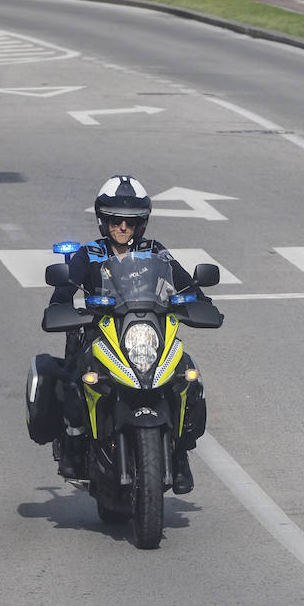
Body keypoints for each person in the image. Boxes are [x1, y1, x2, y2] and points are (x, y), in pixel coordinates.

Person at [48, 176, 209, 493]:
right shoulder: (89, 253)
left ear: (142, 223)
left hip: (148, 333)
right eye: (115, 220)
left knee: (188, 377)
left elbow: (186, 282)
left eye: (131, 222)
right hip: (101, 334)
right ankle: (76, 445)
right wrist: (60, 304)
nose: (123, 227)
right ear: (102, 220)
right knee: (73, 379)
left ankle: (180, 454)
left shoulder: (155, 251)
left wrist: (199, 299)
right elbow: (66, 287)